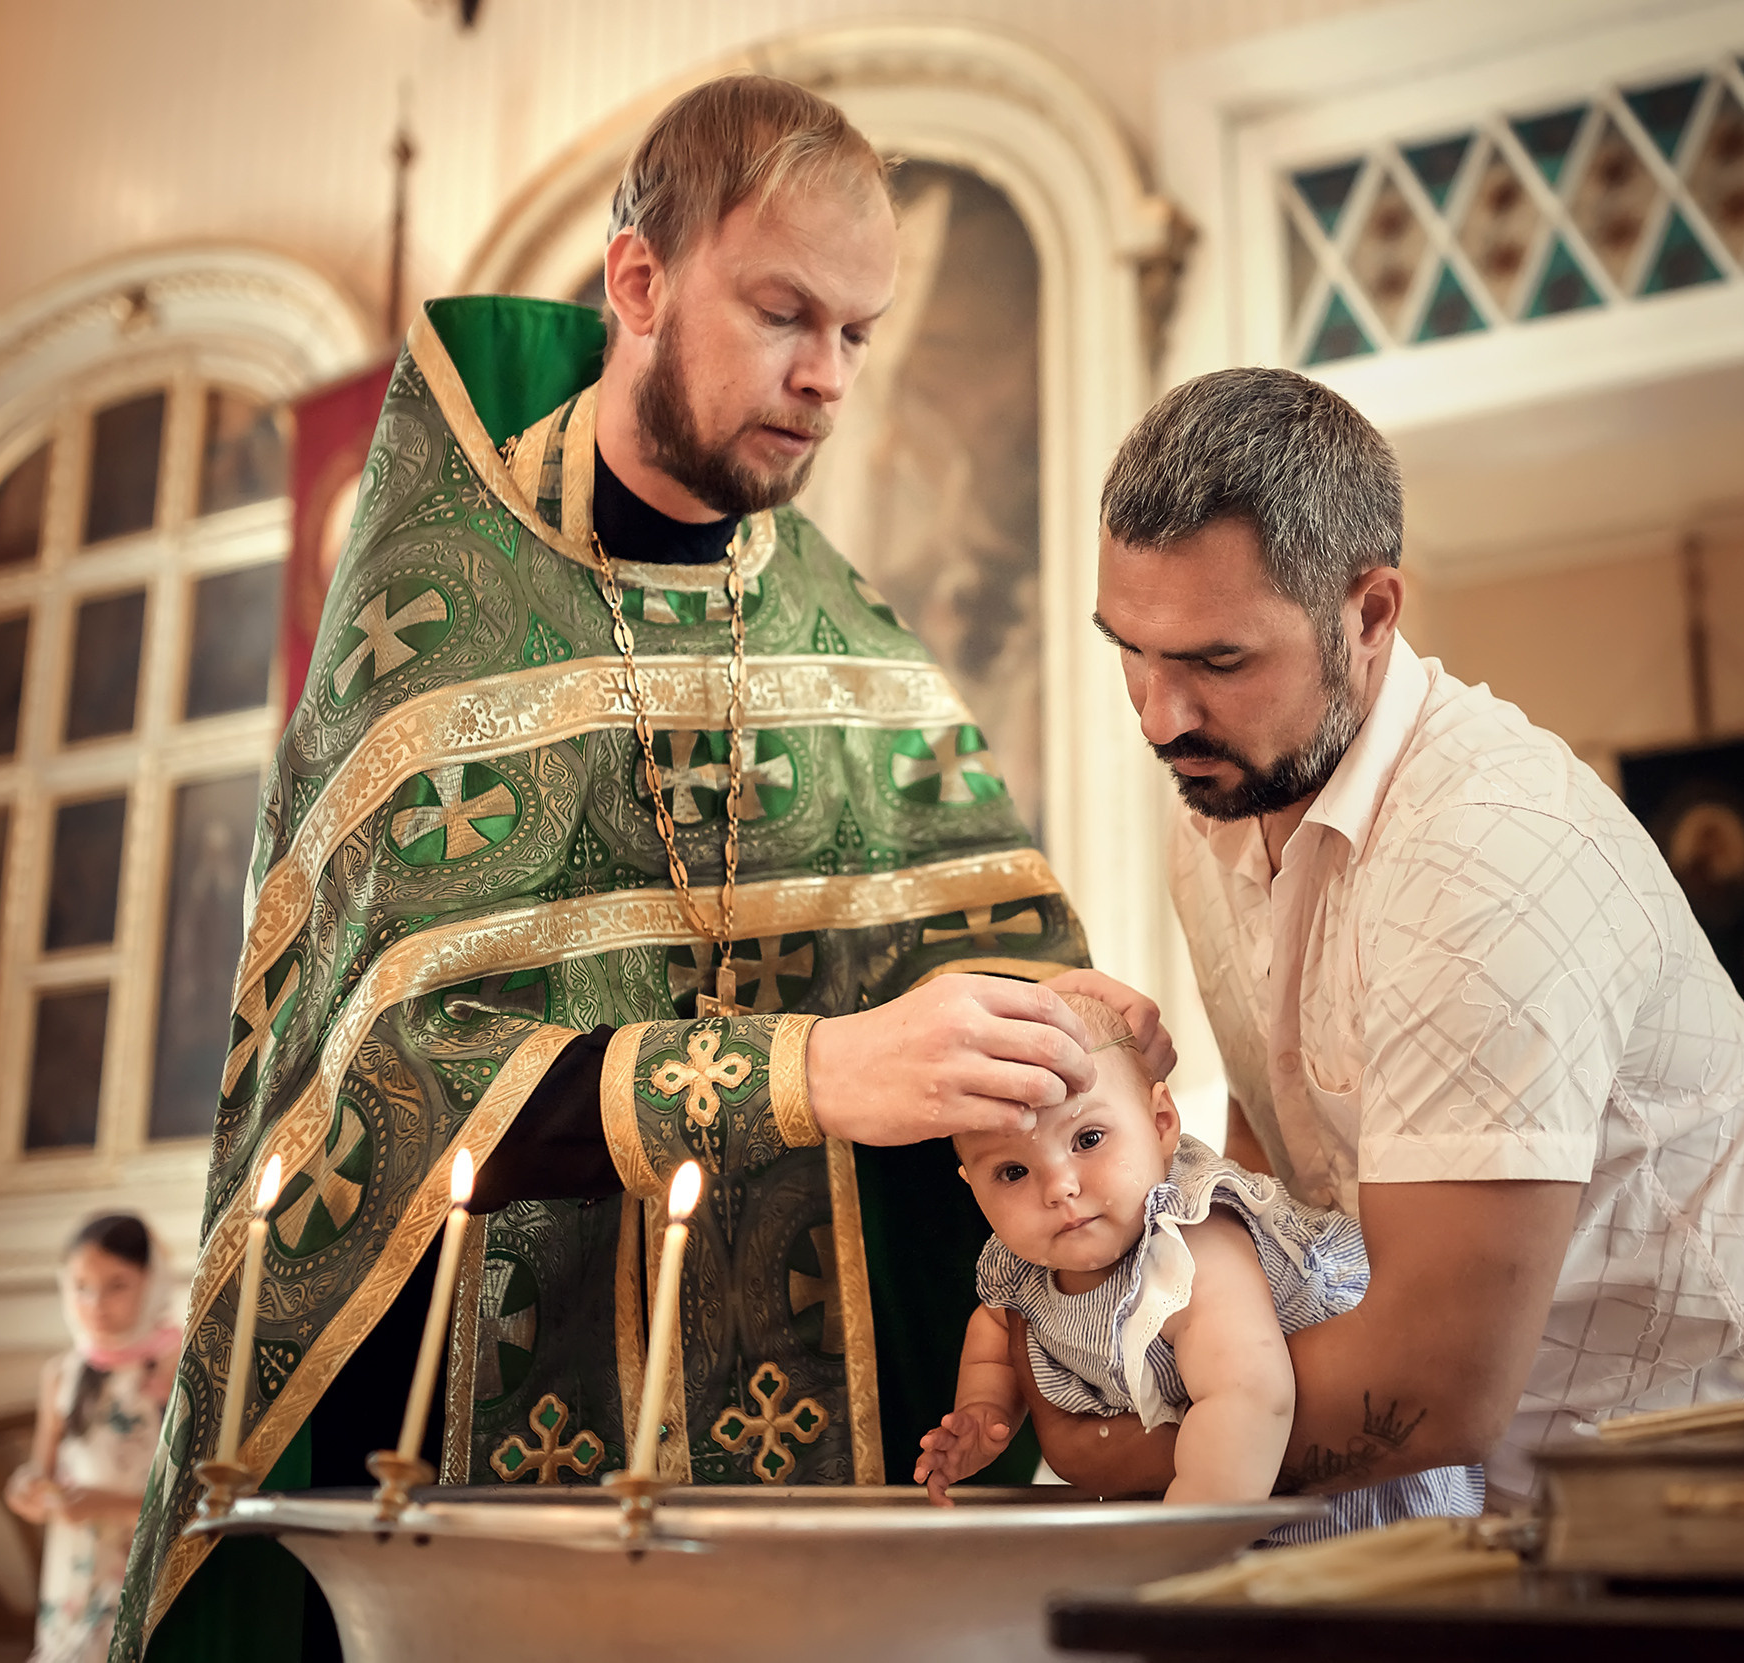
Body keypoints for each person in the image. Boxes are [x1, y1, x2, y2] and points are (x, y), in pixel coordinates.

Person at [117, 75, 1165, 1661]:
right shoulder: (438, 601)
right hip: (488, 1458)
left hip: (819, 1469)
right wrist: (806, 1068)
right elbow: (387, 1082)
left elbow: (981, 960)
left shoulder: (839, 628)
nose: (825, 379)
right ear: (638, 284)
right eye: (782, 312)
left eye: (860, 335)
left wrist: (1059, 1022)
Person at [1038, 367, 1744, 1514]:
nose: (1158, 715)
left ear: (1371, 612)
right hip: (1515, 1510)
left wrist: (1107, 1447)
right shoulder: (1220, 802)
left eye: (1216, 661)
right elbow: (1278, 1165)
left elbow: (1435, 1383)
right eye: (1131, 650)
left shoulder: (1485, 853)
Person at [917, 992, 1481, 1541]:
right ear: (973, 1188)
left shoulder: (1189, 1240)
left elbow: (1250, 1395)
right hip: (1226, 1480)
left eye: (1088, 1139)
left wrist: (1179, 1547)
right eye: (1012, 1173)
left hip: (1355, 1505)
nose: (1059, 1187)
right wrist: (983, 1411)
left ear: (1161, 1123)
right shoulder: (1022, 1265)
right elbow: (994, 1329)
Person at [9, 1215, 180, 1663]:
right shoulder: (62, 1375)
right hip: (74, 1571)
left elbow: (194, 1492)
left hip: (147, 1559)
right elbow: (39, 1471)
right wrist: (26, 1488)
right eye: (81, 1286)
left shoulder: (177, 1365)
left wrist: (107, 1504)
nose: (96, 1303)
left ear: (153, 1280)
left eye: (117, 1285)